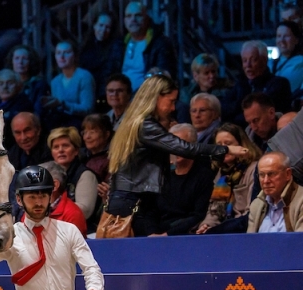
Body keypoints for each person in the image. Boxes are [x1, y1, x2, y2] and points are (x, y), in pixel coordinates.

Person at [106, 75, 244, 236]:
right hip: (133, 203)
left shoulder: (133, 123)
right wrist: (226, 150)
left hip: (130, 201)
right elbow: (183, 147)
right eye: (171, 101)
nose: (173, 108)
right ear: (157, 98)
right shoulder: (145, 125)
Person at [196, 123, 262, 234]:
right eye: (219, 145)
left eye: (228, 144)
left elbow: (252, 213)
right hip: (223, 230)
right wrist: (206, 225)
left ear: (241, 145)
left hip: (245, 229)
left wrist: (217, 230)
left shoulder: (254, 169)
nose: (223, 149)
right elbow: (214, 212)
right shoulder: (220, 173)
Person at [151, 124, 216, 235]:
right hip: (158, 234)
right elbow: (151, 211)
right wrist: (151, 233)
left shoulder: (204, 176)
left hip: (185, 235)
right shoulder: (162, 176)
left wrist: (168, 234)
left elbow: (198, 215)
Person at [120, 1, 176, 91]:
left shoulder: (160, 43)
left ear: (146, 18)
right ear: (125, 20)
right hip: (120, 98)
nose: (133, 19)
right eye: (129, 16)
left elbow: (166, 73)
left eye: (138, 15)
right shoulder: (119, 44)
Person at [47, 127, 98, 225]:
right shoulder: (48, 172)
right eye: (56, 147)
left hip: (84, 231)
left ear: (76, 151)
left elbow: (84, 210)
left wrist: (49, 209)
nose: (60, 150)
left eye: (65, 146)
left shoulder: (86, 175)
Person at [43, 41, 95, 130]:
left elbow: (87, 109)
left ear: (75, 56)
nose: (62, 57)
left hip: (81, 125)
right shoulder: (55, 81)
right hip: (61, 125)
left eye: (66, 53)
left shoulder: (84, 76)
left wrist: (63, 104)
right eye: (58, 53)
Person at [247, 151, 303, 232]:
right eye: (262, 175)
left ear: (288, 174)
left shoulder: (300, 202)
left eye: (271, 174)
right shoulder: (257, 205)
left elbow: (299, 242)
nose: (266, 181)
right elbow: (250, 242)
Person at [79, 11, 124, 106]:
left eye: (107, 27)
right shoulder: (87, 46)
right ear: (94, 25)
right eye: (101, 25)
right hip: (88, 93)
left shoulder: (115, 47)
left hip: (104, 95)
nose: (103, 30)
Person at [236, 41, 292, 115]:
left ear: (264, 60)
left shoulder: (279, 84)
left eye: (253, 60)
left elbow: (258, 112)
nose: (248, 65)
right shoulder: (241, 84)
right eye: (245, 60)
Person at [179, 54, 237, 122]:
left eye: (213, 71)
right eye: (206, 73)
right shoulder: (187, 94)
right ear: (195, 76)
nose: (211, 76)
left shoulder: (226, 90)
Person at [36, 161, 87, 234]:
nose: (31, 187)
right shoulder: (31, 208)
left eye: (37, 182)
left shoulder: (73, 214)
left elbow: (74, 244)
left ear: (54, 185)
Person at [0, 69, 32, 136]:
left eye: (10, 83)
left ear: (19, 86)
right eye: (1, 83)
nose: (5, 87)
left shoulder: (23, 104)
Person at [6, 44, 49, 112]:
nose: (20, 62)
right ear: (12, 61)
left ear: (31, 62)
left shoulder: (39, 85)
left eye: (25, 59)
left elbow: (38, 111)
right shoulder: (6, 84)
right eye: (17, 58)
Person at [270, 21, 303, 93]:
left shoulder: (300, 62)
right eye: (279, 36)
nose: (281, 40)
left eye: (286, 36)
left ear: (296, 40)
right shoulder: (270, 63)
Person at [80, 114, 113, 184]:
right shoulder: (81, 157)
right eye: (85, 132)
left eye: (92, 132)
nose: (87, 137)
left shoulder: (112, 160)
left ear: (107, 134)